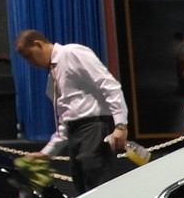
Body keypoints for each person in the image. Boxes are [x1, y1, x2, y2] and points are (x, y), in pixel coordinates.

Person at [17, 29, 128, 189]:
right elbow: (65, 119)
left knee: (95, 180)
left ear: (38, 44)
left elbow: (109, 85)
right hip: (75, 131)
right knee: (80, 180)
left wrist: (120, 125)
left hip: (94, 127)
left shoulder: (72, 53)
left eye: (29, 56)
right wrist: (46, 153)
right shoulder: (52, 77)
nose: (30, 62)